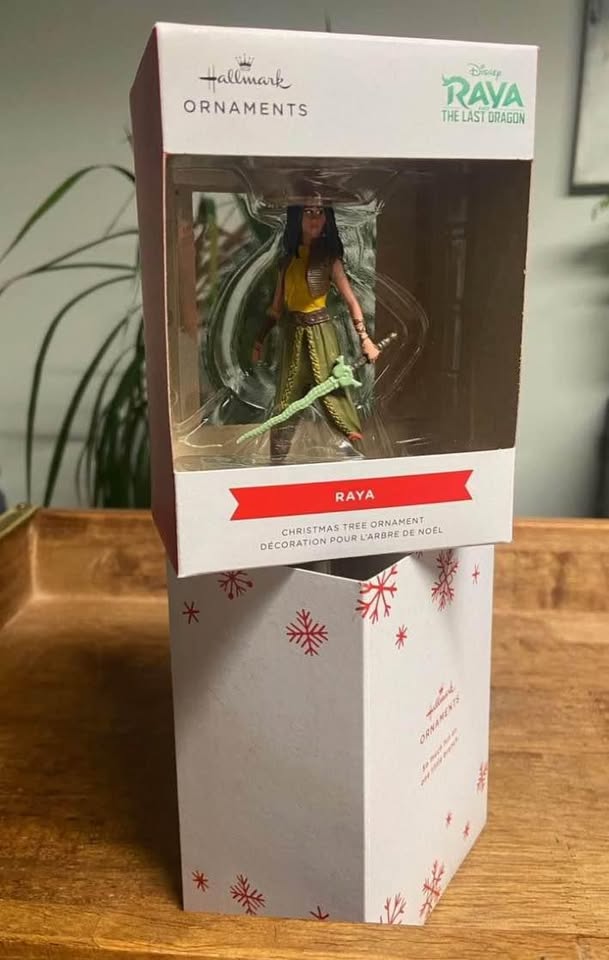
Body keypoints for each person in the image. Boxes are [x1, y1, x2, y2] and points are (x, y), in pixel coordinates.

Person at [253, 203, 379, 460]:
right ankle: (277, 461)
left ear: (327, 219)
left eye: (320, 212)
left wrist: (365, 339)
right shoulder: (287, 262)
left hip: (322, 336)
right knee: (286, 401)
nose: (314, 218)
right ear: (297, 217)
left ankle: (355, 456)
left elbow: (352, 301)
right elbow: (276, 309)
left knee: (335, 394)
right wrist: (259, 340)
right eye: (308, 212)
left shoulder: (330, 261)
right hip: (293, 337)